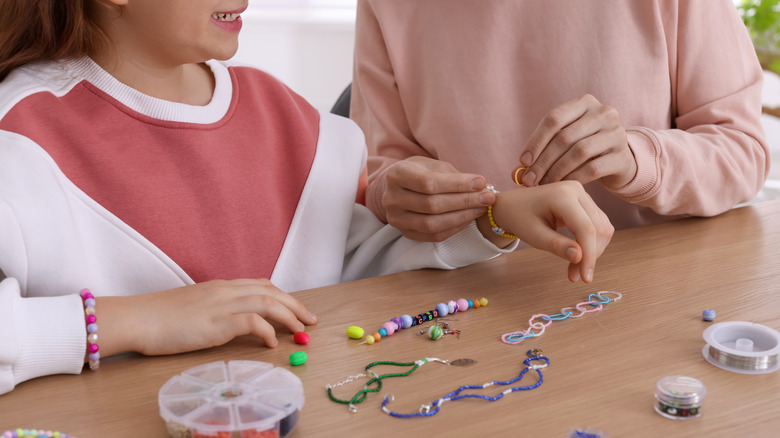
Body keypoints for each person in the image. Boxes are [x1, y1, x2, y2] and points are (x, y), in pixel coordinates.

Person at [0, 0, 613, 394]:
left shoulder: (289, 117)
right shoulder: (20, 137)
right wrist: (136, 319)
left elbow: (346, 271)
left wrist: (491, 216)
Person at [351, 0, 770, 241]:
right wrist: (399, 194)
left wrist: (636, 158)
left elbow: (742, 150)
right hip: (470, 291)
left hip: (653, 282)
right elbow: (377, 177)